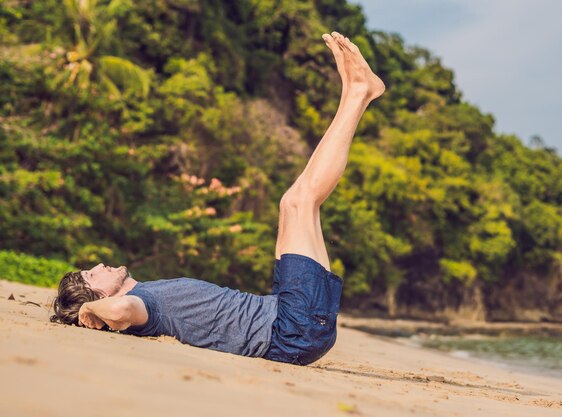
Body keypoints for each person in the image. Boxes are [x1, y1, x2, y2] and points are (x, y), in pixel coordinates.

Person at [49, 31, 386, 366]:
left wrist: (93, 305)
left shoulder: (147, 292)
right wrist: (88, 309)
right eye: (91, 276)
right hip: (292, 330)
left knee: (291, 203)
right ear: (101, 295)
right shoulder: (142, 305)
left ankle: (355, 93)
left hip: (286, 315)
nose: (98, 266)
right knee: (301, 202)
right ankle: (357, 93)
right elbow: (121, 311)